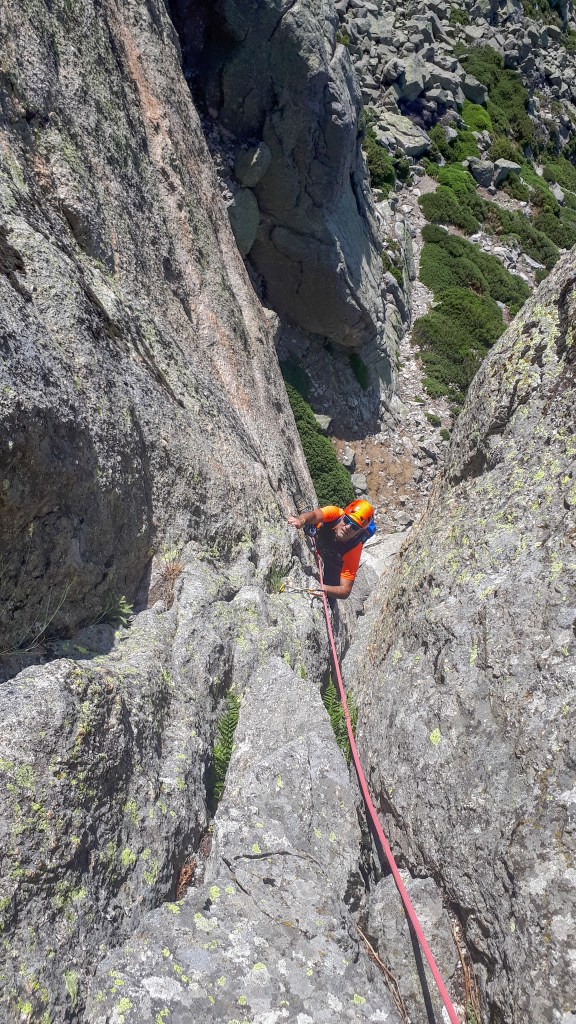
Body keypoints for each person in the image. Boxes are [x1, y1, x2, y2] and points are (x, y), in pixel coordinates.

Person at [287, 499, 375, 602]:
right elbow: (314, 515)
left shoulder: (353, 549)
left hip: (335, 560)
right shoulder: (335, 513)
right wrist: (301, 520)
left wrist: (323, 588)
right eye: (346, 520)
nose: (347, 527)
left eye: (354, 527)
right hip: (323, 537)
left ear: (359, 532)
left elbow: (345, 590)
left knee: (331, 594)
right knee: (312, 523)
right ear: (343, 516)